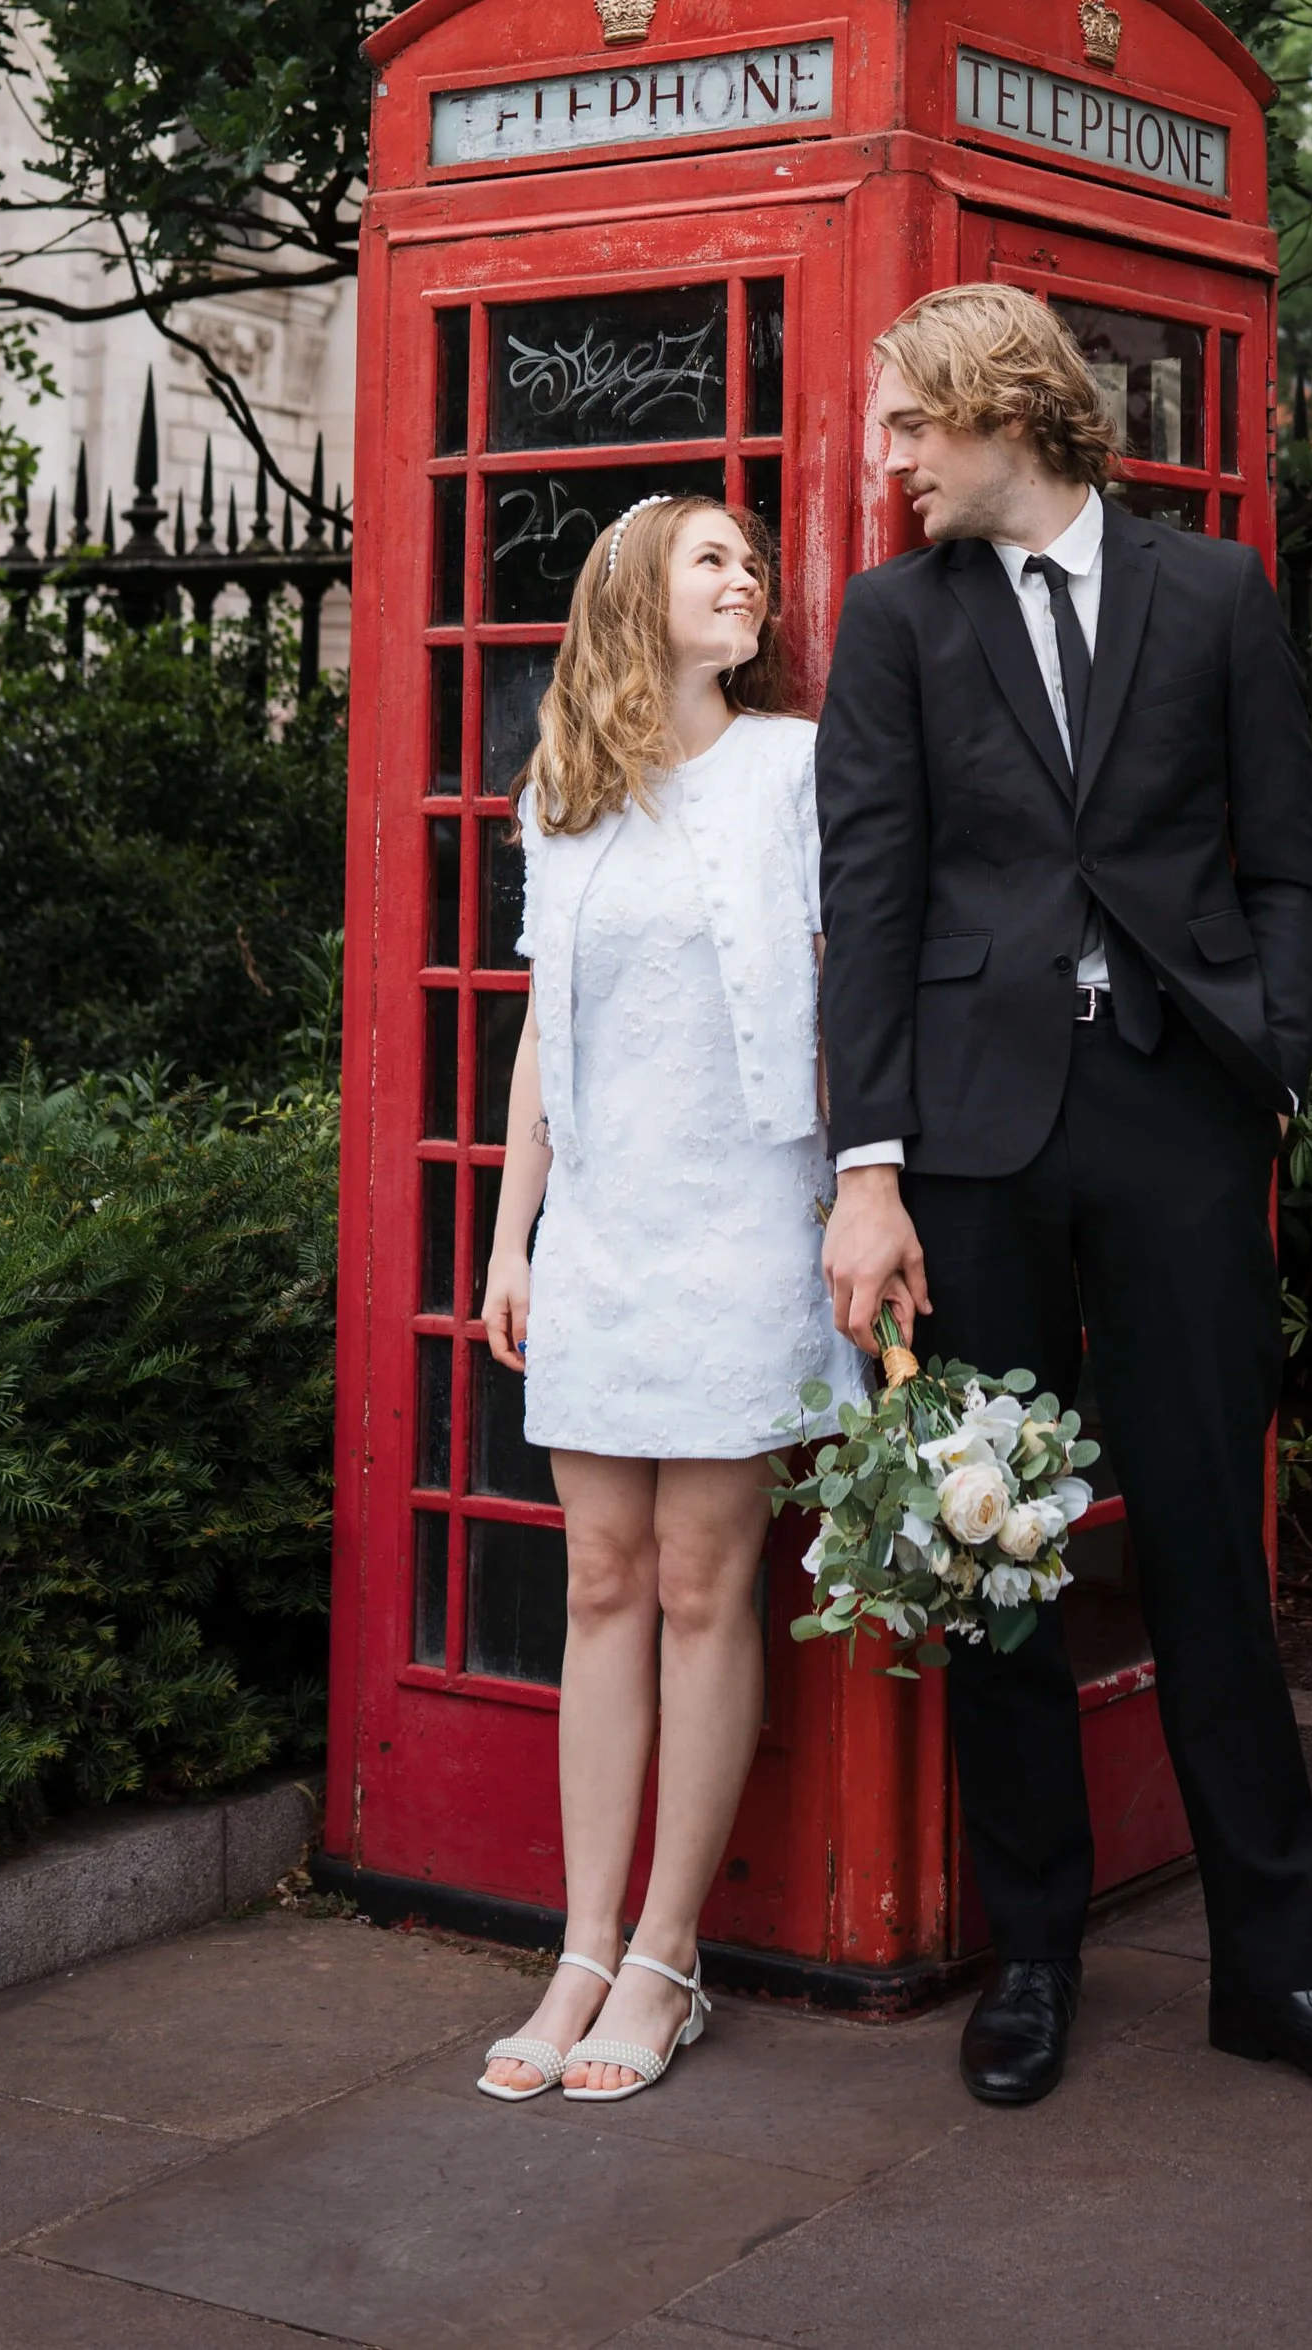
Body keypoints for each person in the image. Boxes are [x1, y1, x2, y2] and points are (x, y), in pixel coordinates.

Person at [816, 284, 1312, 2110]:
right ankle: (1034, 1955)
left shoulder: (1214, 595)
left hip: (1179, 1125)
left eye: (907, 424)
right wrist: (870, 1172)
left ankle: (1278, 1966)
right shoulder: (896, 619)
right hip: (971, 1147)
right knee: (996, 1550)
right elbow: (866, 902)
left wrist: (1272, 1058)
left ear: (1005, 409)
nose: (889, 459)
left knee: (1201, 1547)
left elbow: (1292, 863)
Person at [473, 493, 849, 2104]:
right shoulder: (562, 796)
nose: (745, 574)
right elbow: (541, 1031)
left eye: (751, 559)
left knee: (706, 1584)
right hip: (608, 1230)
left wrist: (874, 1199)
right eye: (712, 556)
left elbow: (854, 984)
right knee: (600, 1584)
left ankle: (666, 1954)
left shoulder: (794, 765)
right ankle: (578, 1942)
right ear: (635, 592)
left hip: (750, 1214)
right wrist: (512, 1237)